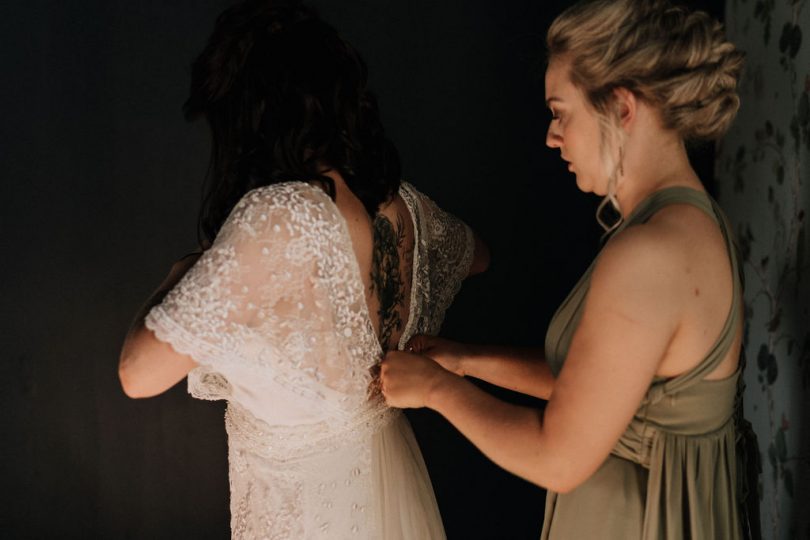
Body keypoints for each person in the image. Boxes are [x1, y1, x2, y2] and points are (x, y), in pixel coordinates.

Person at [380, 0, 759, 538]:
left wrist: (437, 392)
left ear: (621, 108)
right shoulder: (693, 223)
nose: (551, 137)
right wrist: (466, 361)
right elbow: (603, 385)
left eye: (561, 112)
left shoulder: (650, 255)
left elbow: (558, 457)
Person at [118, 1, 488, 538]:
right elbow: (479, 256)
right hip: (389, 486)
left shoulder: (283, 216)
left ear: (246, 116)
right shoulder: (406, 207)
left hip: (311, 512)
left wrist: (184, 272)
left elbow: (138, 373)